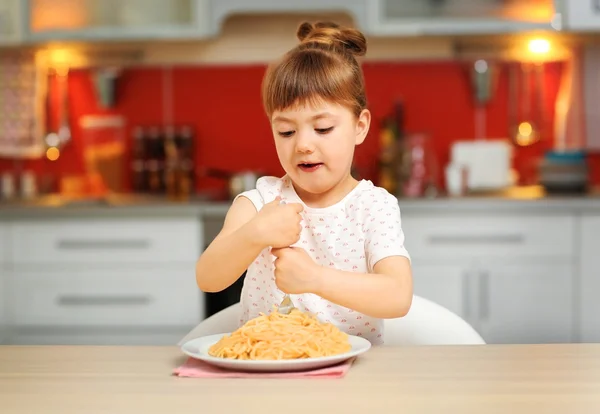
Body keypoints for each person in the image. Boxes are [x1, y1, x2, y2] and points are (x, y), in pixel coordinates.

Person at [195, 21, 413, 345]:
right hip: (269, 376)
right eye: (286, 131)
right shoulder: (259, 203)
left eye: (322, 128)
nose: (303, 145)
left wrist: (315, 278)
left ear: (360, 126)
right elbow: (207, 278)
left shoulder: (373, 207)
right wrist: (255, 234)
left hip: (352, 381)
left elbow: (397, 296)